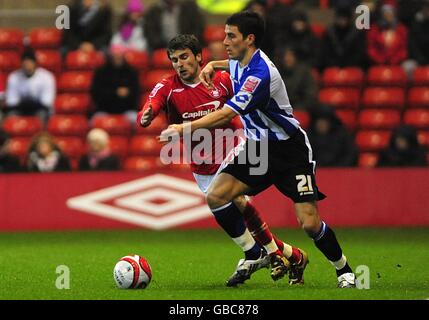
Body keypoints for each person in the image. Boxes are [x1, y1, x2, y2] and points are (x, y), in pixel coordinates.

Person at [162, 11, 356, 288]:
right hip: (258, 150)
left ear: (249, 39)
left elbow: (226, 115)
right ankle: (254, 254)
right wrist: (214, 65)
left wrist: (183, 128)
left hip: (290, 151)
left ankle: (344, 270)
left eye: (231, 35)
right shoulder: (240, 59)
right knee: (216, 196)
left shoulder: (261, 75)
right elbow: (230, 64)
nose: (224, 40)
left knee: (310, 224)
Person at [137, 34, 308, 287]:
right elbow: (153, 101)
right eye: (174, 60)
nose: (179, 64)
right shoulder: (168, 87)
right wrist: (147, 113)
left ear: (198, 56)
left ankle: (258, 254)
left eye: (184, 57)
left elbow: (249, 98)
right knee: (234, 209)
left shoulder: (222, 80)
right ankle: (290, 255)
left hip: (235, 150)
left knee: (237, 198)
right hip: (202, 166)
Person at [90, 44, 140, 124]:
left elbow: (136, 94)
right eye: (115, 55)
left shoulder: (131, 72)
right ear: (110, 56)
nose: (117, 57)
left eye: (119, 55)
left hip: (127, 111)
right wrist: (115, 93)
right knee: (95, 121)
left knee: (138, 121)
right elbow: (96, 94)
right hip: (104, 110)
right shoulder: (101, 72)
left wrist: (127, 94)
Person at [5, 48, 56, 124]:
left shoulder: (47, 77)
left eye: (29, 61)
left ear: (35, 63)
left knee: (42, 114)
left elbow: (47, 102)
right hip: (20, 110)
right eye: (25, 61)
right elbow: (12, 102)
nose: (27, 64)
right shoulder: (14, 77)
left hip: (40, 110)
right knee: (10, 115)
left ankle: (40, 135)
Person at [278, 46, 318, 111]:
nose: (287, 59)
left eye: (290, 55)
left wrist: (298, 108)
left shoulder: (304, 72)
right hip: (283, 108)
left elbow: (310, 94)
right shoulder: (277, 72)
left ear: (295, 57)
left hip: (302, 106)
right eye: (284, 56)